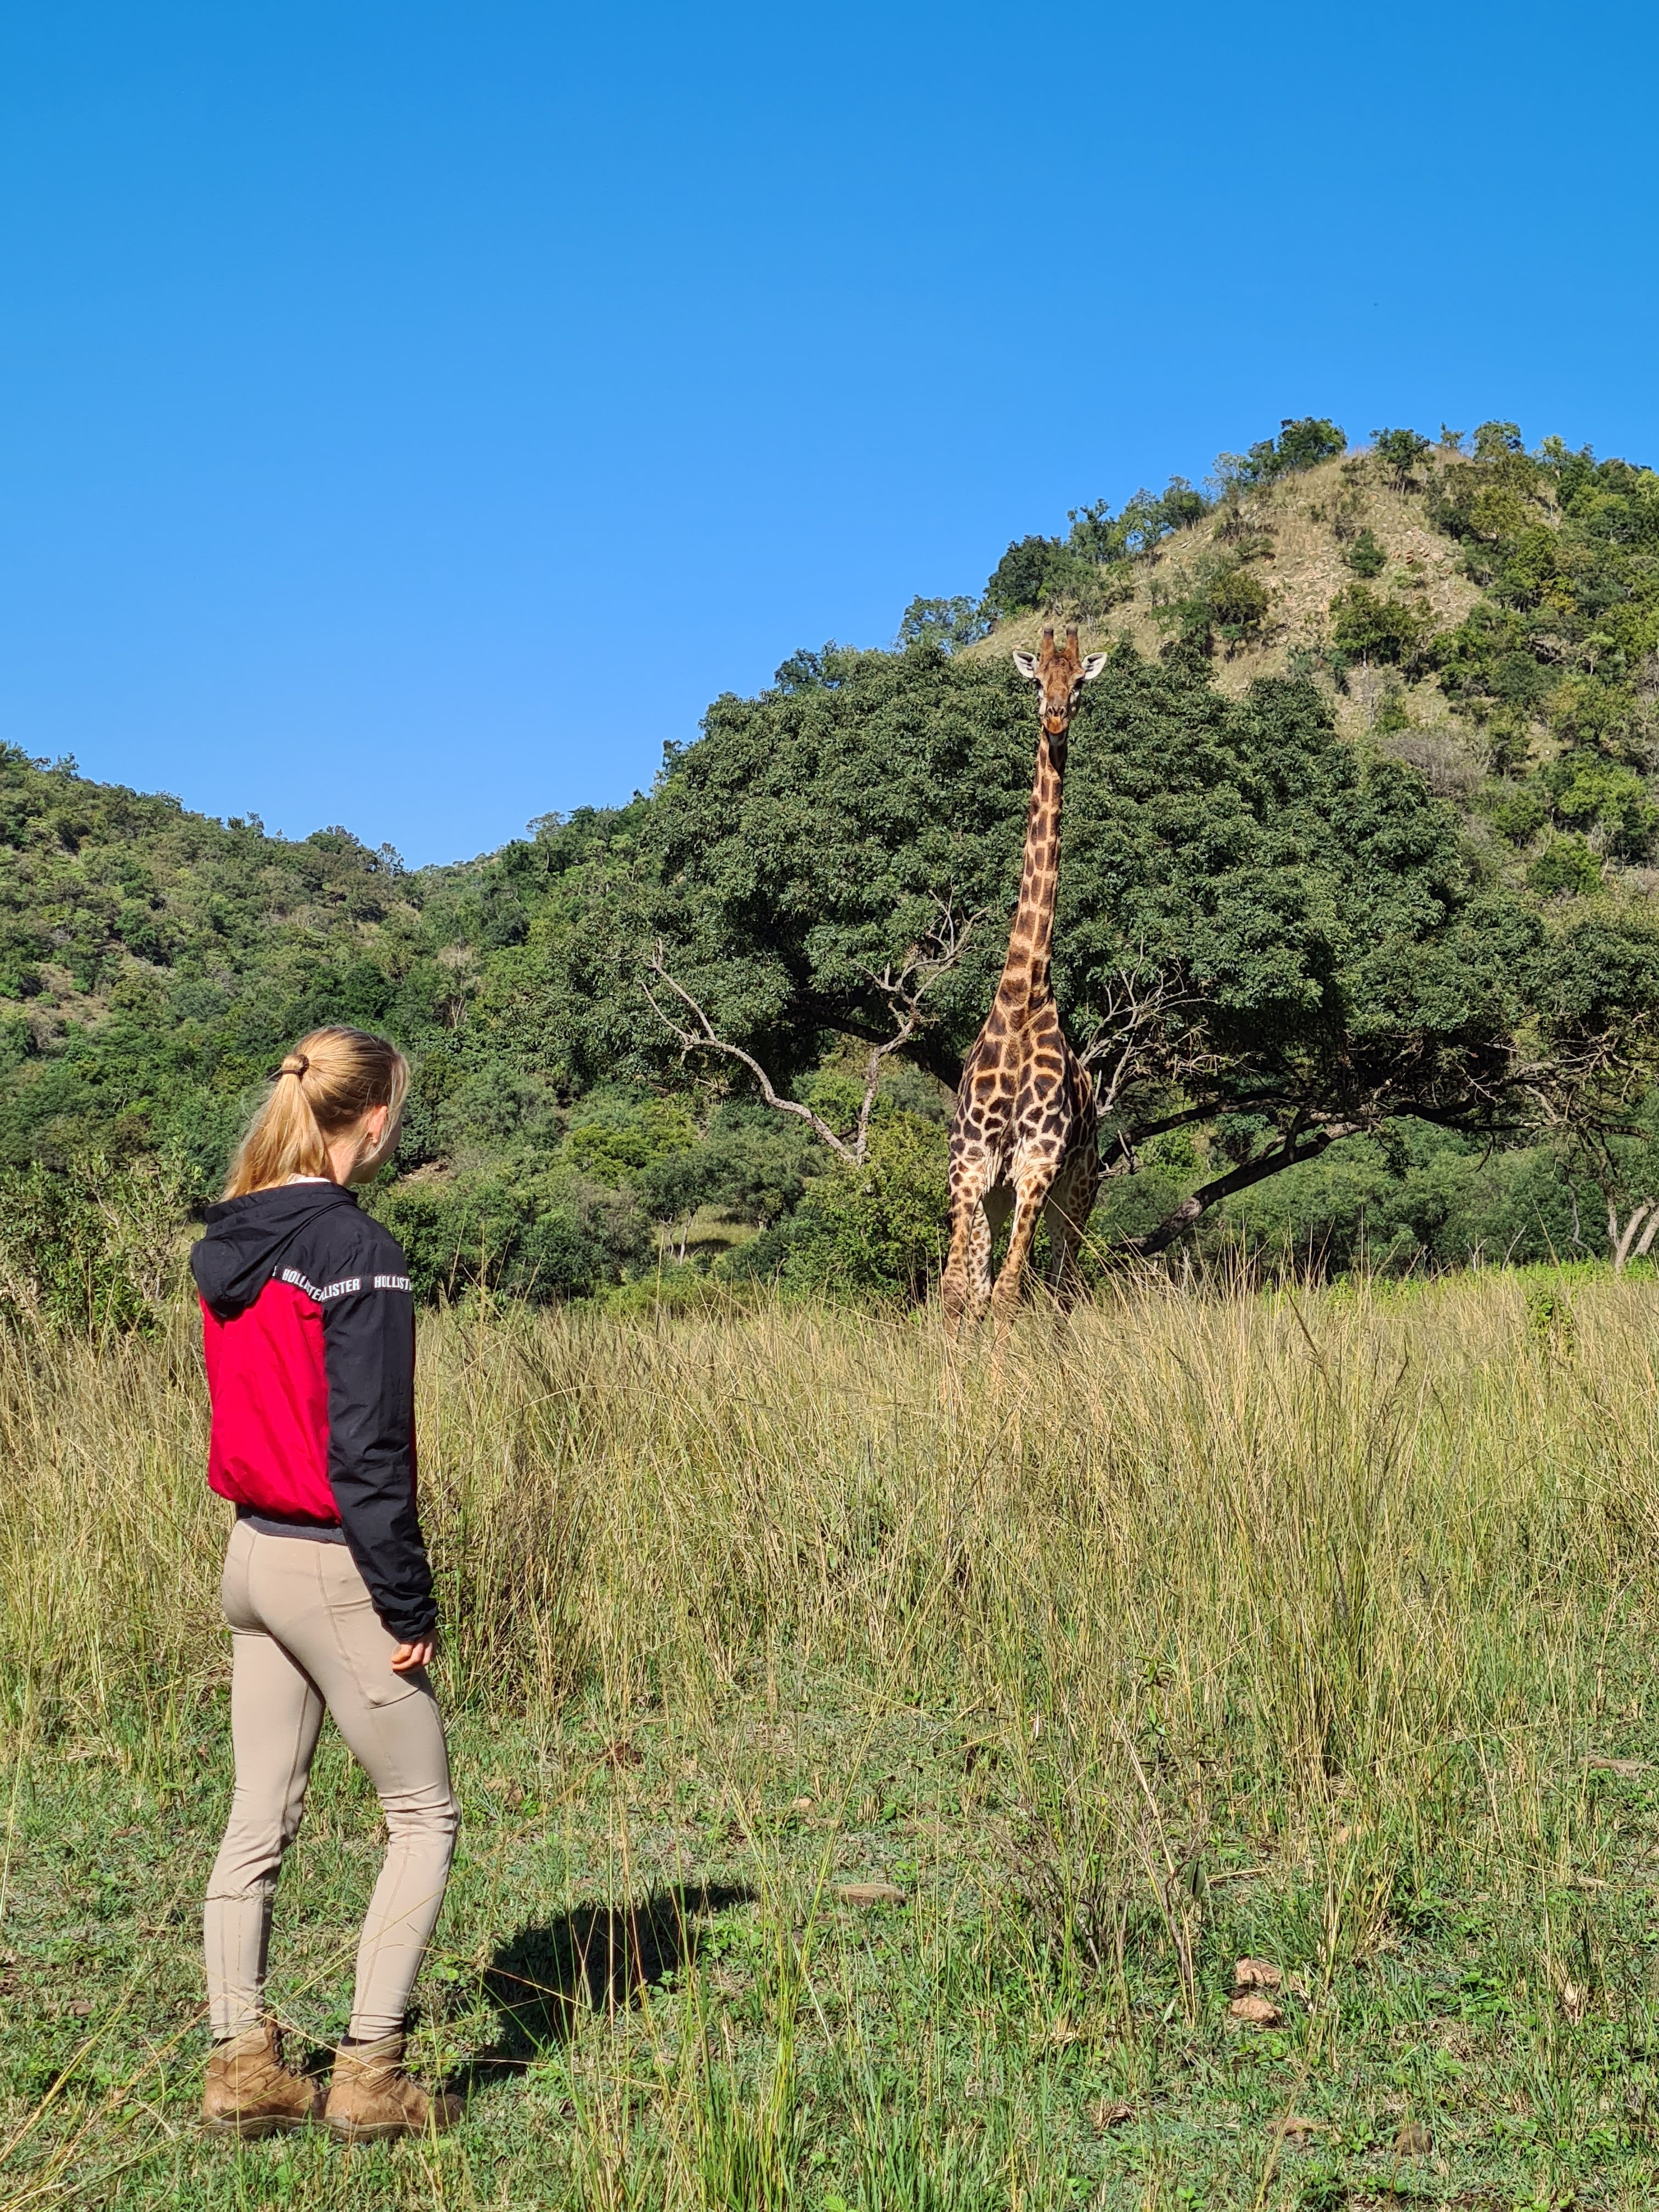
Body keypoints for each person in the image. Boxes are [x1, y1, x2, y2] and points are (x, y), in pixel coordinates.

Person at [191, 1026, 460, 2142]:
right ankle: (369, 2078)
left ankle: (242, 2064)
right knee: (424, 1816)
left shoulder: (230, 1239)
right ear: (378, 1118)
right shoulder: (359, 1247)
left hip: (249, 1558)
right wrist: (408, 1605)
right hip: (330, 1563)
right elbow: (368, 1451)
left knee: (259, 1816)